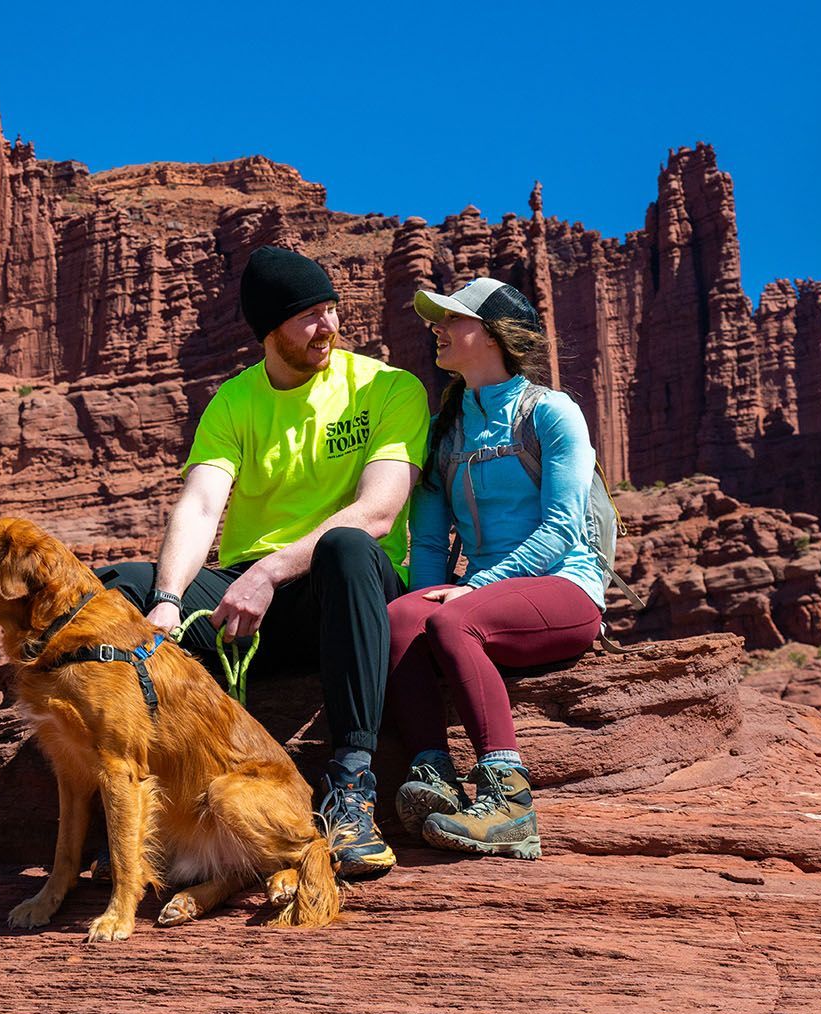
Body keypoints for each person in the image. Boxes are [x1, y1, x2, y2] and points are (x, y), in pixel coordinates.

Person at [95, 245, 430, 876]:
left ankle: (351, 788)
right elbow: (198, 509)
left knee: (346, 546)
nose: (328, 325)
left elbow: (379, 511)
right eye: (308, 314)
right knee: (119, 587)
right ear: (268, 329)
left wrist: (269, 570)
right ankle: (144, 798)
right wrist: (167, 601)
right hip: (251, 607)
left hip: (346, 596)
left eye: (331, 308)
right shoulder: (234, 402)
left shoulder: (389, 388)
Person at [384, 277, 607, 860]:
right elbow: (428, 543)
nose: (438, 329)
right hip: (484, 598)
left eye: (451, 320)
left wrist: (471, 591)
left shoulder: (551, 413)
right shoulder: (444, 432)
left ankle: (510, 803)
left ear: (487, 335)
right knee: (401, 617)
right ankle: (434, 778)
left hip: (564, 588)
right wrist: (426, 598)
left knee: (454, 623)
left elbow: (563, 529)